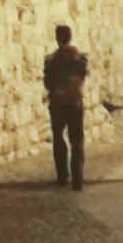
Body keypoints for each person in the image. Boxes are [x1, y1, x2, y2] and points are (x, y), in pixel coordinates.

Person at [43, 24, 89, 190]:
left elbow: (47, 83)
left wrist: (57, 90)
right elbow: (82, 78)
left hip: (57, 103)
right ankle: (77, 177)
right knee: (77, 140)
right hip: (75, 102)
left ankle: (62, 175)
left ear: (57, 39)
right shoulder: (80, 59)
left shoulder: (51, 60)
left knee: (58, 137)